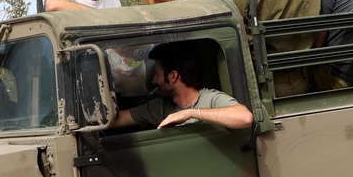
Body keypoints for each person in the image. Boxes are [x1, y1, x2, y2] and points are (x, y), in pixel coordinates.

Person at [107, 42, 254, 130]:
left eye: (157, 74)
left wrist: (190, 113)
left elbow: (245, 117)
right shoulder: (160, 107)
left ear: (173, 76)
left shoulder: (209, 99)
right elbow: (118, 120)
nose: (154, 81)